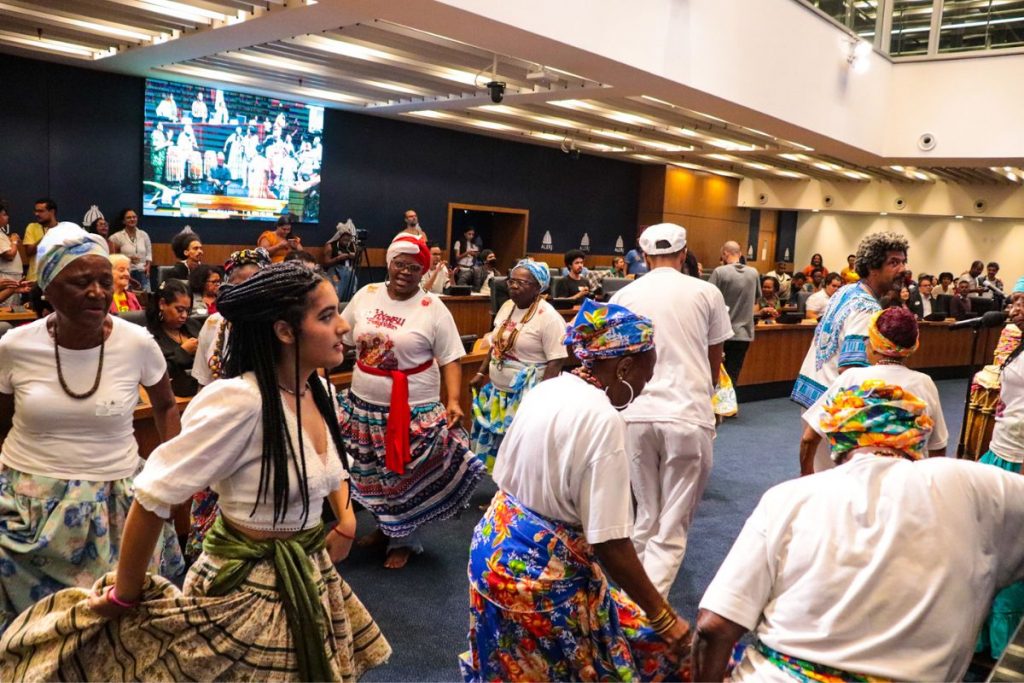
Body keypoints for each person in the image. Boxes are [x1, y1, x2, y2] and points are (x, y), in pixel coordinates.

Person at [0, 263, 392, 681]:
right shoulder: (240, 403)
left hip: (306, 571)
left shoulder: (319, 390)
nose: (345, 326)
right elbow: (152, 495)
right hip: (245, 588)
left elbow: (330, 472)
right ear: (284, 331)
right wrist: (124, 598)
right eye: (327, 316)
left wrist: (346, 519)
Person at [694, 380, 1024, 683]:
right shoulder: (974, 484)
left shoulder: (789, 496)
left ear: (838, 439)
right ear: (917, 437)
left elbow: (714, 627)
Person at [460, 298, 690, 681]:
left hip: (492, 552)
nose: (647, 384)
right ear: (625, 366)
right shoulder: (603, 420)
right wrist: (663, 616)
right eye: (647, 372)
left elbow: (503, 474)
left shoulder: (546, 390)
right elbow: (610, 543)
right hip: (536, 581)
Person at [0, 223, 183, 634]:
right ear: (47, 288)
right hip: (26, 505)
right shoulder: (14, 346)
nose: (99, 292)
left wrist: (171, 478)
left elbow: (166, 406)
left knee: (116, 626)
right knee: (29, 629)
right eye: (81, 282)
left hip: (114, 504)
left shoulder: (136, 341)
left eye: (105, 280)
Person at [338, 235, 485, 569]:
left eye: (414, 267)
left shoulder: (432, 307)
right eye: (399, 263)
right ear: (389, 263)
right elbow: (342, 336)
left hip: (411, 407)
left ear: (424, 272)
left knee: (403, 476)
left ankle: (404, 539)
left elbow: (450, 358)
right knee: (372, 473)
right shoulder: (367, 294)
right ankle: (385, 527)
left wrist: (453, 400)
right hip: (363, 404)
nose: (405, 271)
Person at [609, 223, 733, 597]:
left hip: (635, 413)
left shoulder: (625, 295)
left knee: (645, 516)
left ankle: (632, 600)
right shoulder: (706, 292)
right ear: (683, 254)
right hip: (687, 413)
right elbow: (716, 356)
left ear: (644, 257)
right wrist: (707, 397)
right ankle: (647, 611)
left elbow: (615, 358)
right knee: (673, 524)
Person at [799, 306, 948, 474]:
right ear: (913, 346)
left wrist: (806, 476)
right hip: (905, 486)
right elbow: (938, 447)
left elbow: (808, 439)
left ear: (875, 345)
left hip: (854, 482)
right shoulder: (924, 383)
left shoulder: (851, 378)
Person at [469, 260, 567, 472]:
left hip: (527, 395)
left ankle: (515, 496)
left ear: (538, 287)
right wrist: (480, 371)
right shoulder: (506, 307)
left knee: (519, 447)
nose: (513, 286)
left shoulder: (548, 317)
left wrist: (541, 398)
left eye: (521, 282)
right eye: (511, 281)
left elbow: (557, 360)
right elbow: (497, 344)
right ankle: (498, 492)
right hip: (498, 392)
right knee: (500, 446)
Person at [791, 232, 908, 408]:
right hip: (832, 408)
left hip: (813, 393)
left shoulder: (846, 290)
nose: (903, 269)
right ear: (872, 268)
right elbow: (851, 371)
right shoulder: (867, 308)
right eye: (894, 262)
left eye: (903, 261)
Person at [975, 278, 1024, 660]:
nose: (1015, 307)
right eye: (1015, 300)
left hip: (1020, 463)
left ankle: (1002, 650)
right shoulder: (1016, 341)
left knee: (1013, 554)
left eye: (1023, 301)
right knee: (983, 548)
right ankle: (977, 637)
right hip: (998, 453)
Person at [709, 240, 760, 383]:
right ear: (740, 254)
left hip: (722, 334)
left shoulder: (720, 272)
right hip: (743, 334)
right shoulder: (753, 273)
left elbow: (708, 300)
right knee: (733, 375)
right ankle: (731, 404)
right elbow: (756, 301)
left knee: (715, 376)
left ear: (725, 254)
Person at [147, 278, 201, 398]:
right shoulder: (148, 335)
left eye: (188, 311)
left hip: (200, 392)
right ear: (162, 304)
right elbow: (153, 373)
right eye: (179, 310)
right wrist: (183, 352)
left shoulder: (193, 326)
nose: (184, 316)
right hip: (167, 396)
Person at [108, 208, 153, 291]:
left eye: (134, 217)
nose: (132, 219)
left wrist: (148, 267)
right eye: (128, 218)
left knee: (145, 300)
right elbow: (113, 258)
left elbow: (149, 254)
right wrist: (128, 259)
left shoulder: (144, 235)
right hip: (127, 273)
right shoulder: (116, 237)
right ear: (123, 221)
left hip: (142, 272)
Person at [22, 198, 58, 283]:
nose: (36, 214)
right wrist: (47, 235)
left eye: (41, 211)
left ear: (52, 212)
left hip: (54, 279)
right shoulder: (32, 227)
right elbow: (29, 252)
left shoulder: (62, 229)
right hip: (34, 280)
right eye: (36, 211)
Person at [323, 224, 358, 302]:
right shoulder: (330, 246)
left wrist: (354, 256)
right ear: (339, 237)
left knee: (351, 291)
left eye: (348, 240)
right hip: (335, 272)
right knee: (337, 291)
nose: (346, 242)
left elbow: (358, 260)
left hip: (349, 271)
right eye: (344, 240)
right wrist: (338, 258)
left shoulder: (352, 245)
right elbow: (325, 263)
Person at [0, 202, 22, 306]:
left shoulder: (2, 233)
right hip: (6, 278)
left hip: (13, 278)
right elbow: (9, 255)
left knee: (15, 309)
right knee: (7, 311)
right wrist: (14, 241)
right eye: (4, 214)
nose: (7, 217)